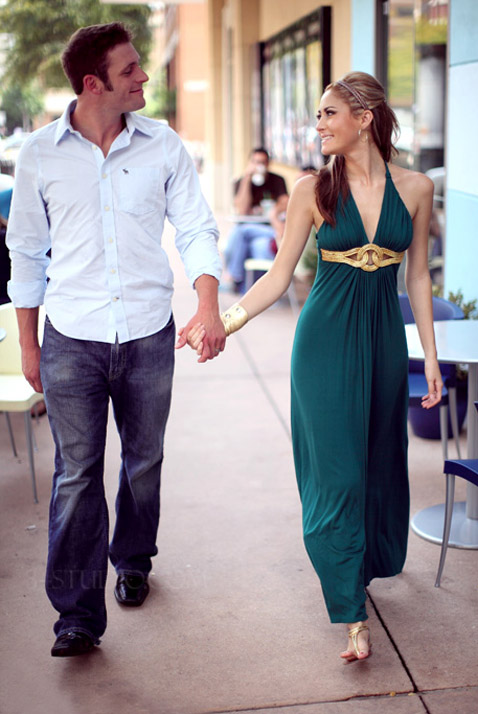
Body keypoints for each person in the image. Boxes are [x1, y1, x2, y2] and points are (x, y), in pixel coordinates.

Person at [183, 71, 442, 664]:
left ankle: (366, 563)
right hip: (324, 342)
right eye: (319, 115)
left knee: (379, 461)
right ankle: (351, 613)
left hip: (383, 342)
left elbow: (420, 277)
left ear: (365, 118)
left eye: (329, 113)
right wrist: (225, 319)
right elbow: (278, 276)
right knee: (336, 476)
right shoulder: (310, 190)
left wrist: (428, 357)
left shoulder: (419, 189)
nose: (318, 125)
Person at [5, 22, 226, 658]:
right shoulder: (41, 155)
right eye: (131, 70)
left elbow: (195, 228)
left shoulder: (163, 146)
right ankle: (75, 615)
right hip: (71, 337)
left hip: (149, 334)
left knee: (144, 460)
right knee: (76, 475)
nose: (145, 78)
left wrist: (206, 302)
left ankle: (131, 557)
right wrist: (28, 345)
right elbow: (25, 252)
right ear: (94, 83)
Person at [224, 148, 288, 292]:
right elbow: (242, 210)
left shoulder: (277, 180)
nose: (260, 165)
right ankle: (246, 288)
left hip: (269, 227)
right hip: (251, 227)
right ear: (250, 163)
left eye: (263, 162)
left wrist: (274, 211)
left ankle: (234, 276)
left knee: (240, 233)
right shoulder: (241, 181)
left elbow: (285, 201)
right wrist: (247, 178)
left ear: (268, 164)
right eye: (256, 162)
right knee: (257, 246)